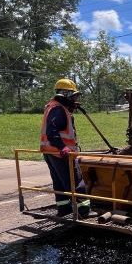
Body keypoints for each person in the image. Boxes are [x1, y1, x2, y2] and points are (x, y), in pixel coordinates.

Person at [40, 78, 90, 217]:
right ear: (65, 95)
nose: (75, 99)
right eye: (73, 96)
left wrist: (70, 107)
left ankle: (64, 209)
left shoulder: (53, 106)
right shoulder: (58, 110)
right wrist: (63, 147)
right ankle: (84, 211)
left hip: (50, 152)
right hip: (60, 153)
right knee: (75, 181)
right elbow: (52, 131)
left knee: (59, 182)